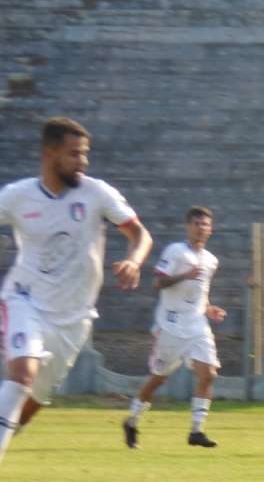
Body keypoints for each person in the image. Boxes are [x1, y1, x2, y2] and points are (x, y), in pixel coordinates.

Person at [0, 116, 152, 462]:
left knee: (27, 407)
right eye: (74, 154)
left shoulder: (96, 193)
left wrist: (134, 261)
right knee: (22, 373)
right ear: (49, 153)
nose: (82, 162)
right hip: (24, 300)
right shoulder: (16, 196)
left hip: (74, 319)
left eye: (85, 154)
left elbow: (140, 234)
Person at [122, 207, 224, 448]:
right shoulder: (175, 251)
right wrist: (184, 276)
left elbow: (202, 293)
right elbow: (158, 282)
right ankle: (132, 420)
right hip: (171, 325)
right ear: (188, 227)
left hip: (197, 324)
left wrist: (209, 308)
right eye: (197, 223)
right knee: (159, 378)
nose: (201, 228)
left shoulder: (211, 260)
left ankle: (196, 431)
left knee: (208, 374)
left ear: (211, 229)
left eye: (205, 224)